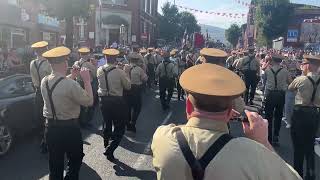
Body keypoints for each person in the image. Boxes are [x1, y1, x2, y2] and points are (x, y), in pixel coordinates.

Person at [151, 63, 302, 180]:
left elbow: (183, 128)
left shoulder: (162, 137)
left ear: (188, 105)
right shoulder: (251, 152)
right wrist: (263, 142)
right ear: (230, 111)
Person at [41, 46, 93, 180]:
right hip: (69, 129)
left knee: (55, 163)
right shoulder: (70, 84)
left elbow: (58, 84)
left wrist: (73, 76)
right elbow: (89, 101)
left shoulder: (44, 81)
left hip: (50, 128)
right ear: (64, 63)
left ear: (51, 63)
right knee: (76, 158)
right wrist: (86, 80)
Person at [288, 55, 320, 180]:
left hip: (300, 113)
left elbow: (290, 88)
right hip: (314, 113)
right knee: (310, 144)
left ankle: (297, 173)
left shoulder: (301, 79)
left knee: (298, 146)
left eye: (304, 64)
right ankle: (311, 173)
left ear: (309, 65)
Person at [97, 48, 131, 161]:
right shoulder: (119, 71)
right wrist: (124, 71)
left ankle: (106, 146)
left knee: (107, 124)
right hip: (116, 101)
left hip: (103, 100)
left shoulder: (99, 70)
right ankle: (110, 148)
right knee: (119, 127)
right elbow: (128, 86)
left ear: (105, 57)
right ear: (115, 59)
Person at [264, 54, 291, 145]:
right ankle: (276, 136)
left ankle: (268, 137)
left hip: (270, 94)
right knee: (278, 116)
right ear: (280, 61)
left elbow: (265, 82)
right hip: (280, 94)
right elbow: (290, 83)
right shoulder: (285, 71)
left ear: (272, 60)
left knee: (268, 116)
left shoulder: (268, 70)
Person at [30, 41, 52, 153]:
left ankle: (41, 140)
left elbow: (33, 79)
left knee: (39, 117)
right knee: (49, 117)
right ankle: (46, 143)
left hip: (37, 92)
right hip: (48, 92)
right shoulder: (48, 63)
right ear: (45, 50)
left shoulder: (32, 63)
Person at [124, 53, 148, 132]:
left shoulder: (125, 68)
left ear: (130, 60)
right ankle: (133, 122)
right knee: (137, 108)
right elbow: (145, 79)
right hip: (136, 90)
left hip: (126, 90)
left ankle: (128, 123)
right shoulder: (139, 69)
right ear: (137, 61)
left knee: (127, 108)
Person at [73, 47, 96, 126]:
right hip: (87, 84)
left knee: (79, 102)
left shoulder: (76, 63)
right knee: (89, 103)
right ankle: (86, 121)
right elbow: (95, 75)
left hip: (78, 83)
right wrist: (95, 65)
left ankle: (79, 119)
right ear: (88, 55)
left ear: (80, 54)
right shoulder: (89, 64)